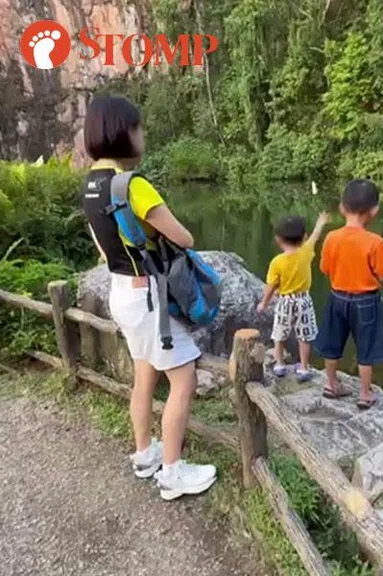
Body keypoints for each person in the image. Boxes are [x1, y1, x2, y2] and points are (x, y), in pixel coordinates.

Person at [81, 94, 216, 501]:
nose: (142, 135)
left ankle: (145, 454)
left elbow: (105, 250)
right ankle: (173, 472)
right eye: (138, 128)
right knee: (183, 377)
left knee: (144, 373)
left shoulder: (90, 184)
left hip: (121, 291)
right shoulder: (131, 185)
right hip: (148, 298)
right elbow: (185, 237)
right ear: (123, 132)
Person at [316, 179, 383, 409]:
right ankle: (364, 393)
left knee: (332, 342)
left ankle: (331, 384)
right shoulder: (375, 242)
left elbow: (324, 268)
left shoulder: (332, 238)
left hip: (337, 297)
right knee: (366, 346)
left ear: (342, 208)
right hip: (366, 301)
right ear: (374, 211)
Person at [256, 212, 329, 379]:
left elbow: (271, 286)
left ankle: (280, 364)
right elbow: (316, 236)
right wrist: (320, 222)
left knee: (279, 333)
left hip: (285, 301)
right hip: (303, 300)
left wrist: (264, 303)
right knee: (304, 335)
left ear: (278, 239)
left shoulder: (277, 262)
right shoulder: (306, 251)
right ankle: (303, 367)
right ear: (304, 237)